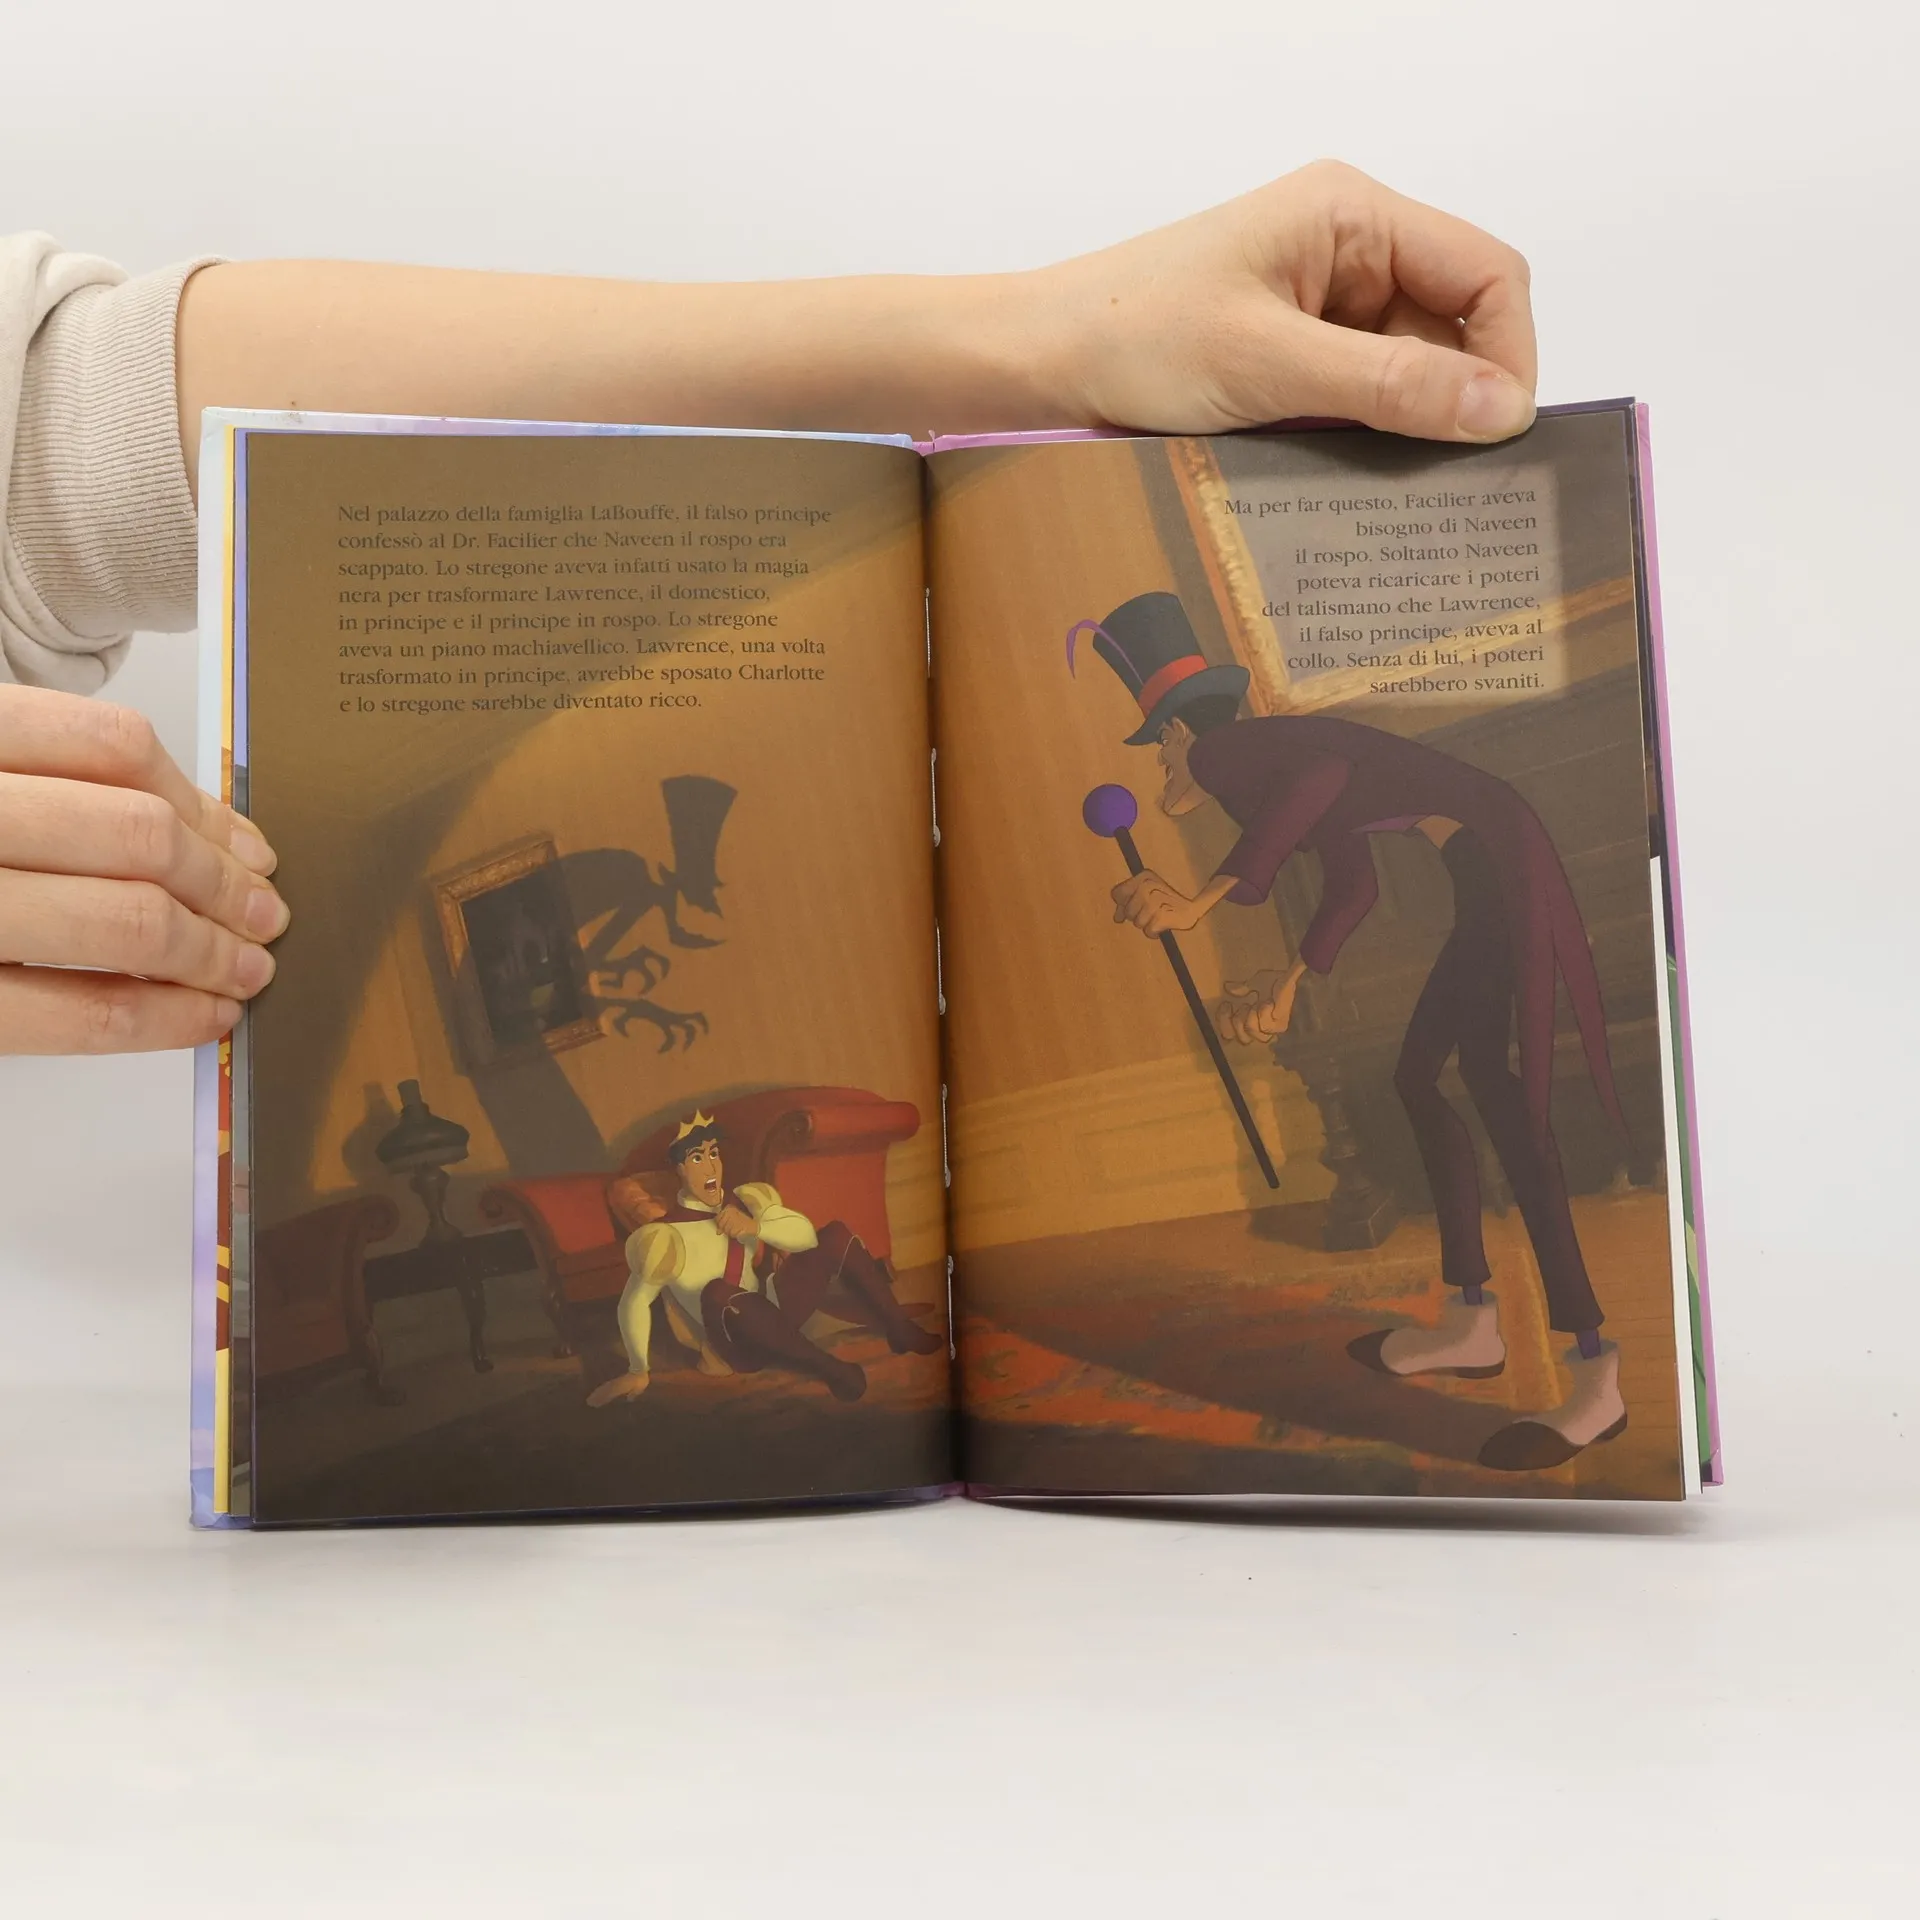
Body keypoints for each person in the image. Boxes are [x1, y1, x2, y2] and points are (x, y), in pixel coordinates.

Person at [0, 159, 1538, 1057]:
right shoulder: (1249, 765)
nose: (1163, 770)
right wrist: (1274, 953)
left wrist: (1046, 337)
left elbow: (69, 433)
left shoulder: (1245, 763)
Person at [1085, 590, 1628, 1472]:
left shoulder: (1227, 753)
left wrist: (1198, 902)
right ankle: (1471, 1323)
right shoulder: (1271, 760)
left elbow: (1322, 783)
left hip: (1501, 864)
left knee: (1506, 1102)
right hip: (1487, 870)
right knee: (1421, 1080)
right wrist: (1290, 984)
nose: (1165, 770)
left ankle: (1596, 1372)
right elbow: (1355, 886)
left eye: (1161, 750)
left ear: (1181, 733)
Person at [587, 1113, 941, 1408]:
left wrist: (756, 1226)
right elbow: (635, 1300)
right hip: (735, 1346)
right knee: (718, 1291)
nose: (711, 1166)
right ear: (679, 1169)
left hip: (773, 1313)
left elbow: (805, 1238)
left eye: (714, 1153)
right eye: (697, 1158)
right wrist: (638, 1368)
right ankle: (831, 1368)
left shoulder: (745, 1199)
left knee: (834, 1234)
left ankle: (900, 1329)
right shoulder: (664, 1234)